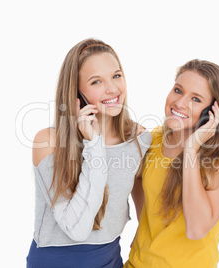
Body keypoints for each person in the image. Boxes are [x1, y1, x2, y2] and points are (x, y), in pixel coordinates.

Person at [26, 38, 152, 268]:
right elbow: (76, 227)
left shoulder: (139, 140)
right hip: (54, 261)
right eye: (96, 82)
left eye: (116, 75)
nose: (113, 89)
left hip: (109, 257)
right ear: (76, 94)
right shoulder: (48, 142)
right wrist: (94, 144)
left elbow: (144, 207)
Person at [125, 59, 219, 267]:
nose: (180, 103)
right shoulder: (150, 141)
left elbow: (196, 229)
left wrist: (192, 148)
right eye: (178, 90)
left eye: (196, 99)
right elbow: (146, 215)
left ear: (212, 111)